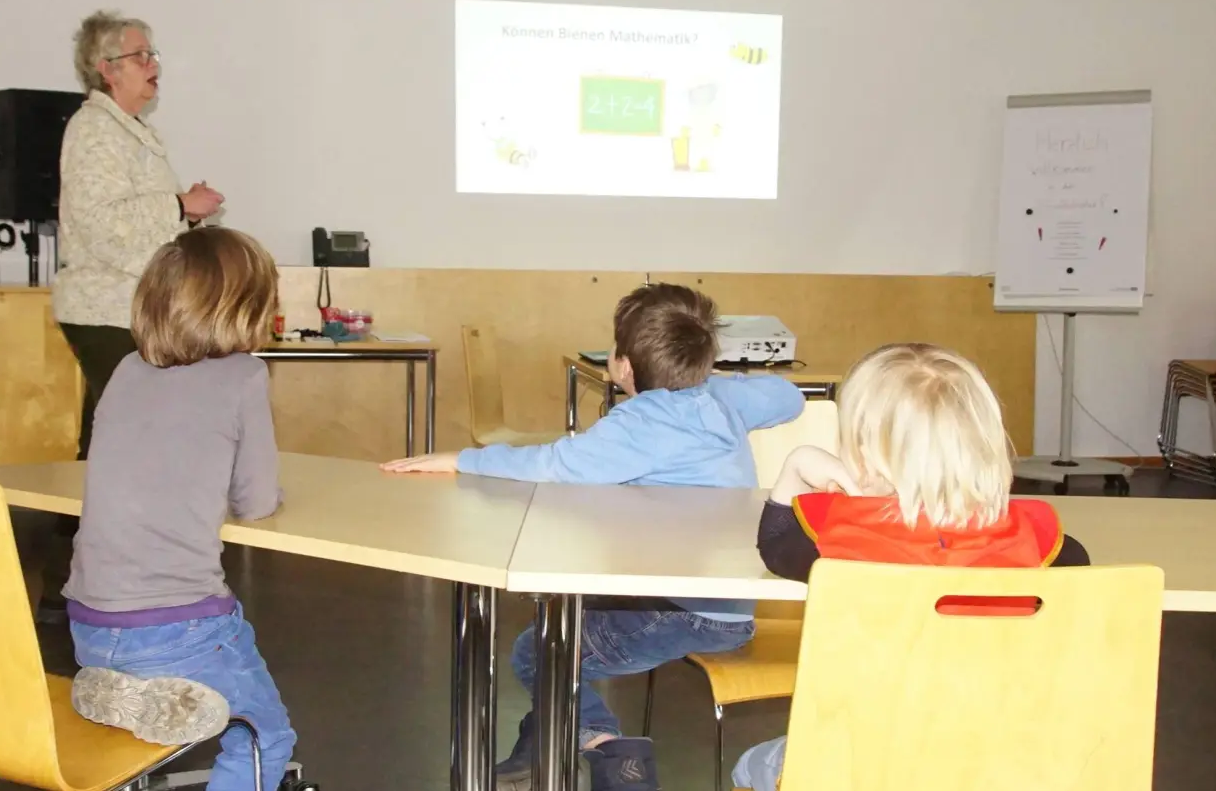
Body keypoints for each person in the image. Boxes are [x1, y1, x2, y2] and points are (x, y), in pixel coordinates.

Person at [383, 283, 806, 791]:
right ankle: (538, 747)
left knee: (539, 652)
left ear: (621, 365)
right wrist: (718, 382)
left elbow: (554, 464)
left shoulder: (639, 422)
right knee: (564, 620)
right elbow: (789, 396)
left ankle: (612, 754)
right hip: (729, 605)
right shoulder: (721, 401)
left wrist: (460, 459)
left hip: (680, 609)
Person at [730, 342, 1091, 791]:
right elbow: (1076, 575)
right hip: (1000, 760)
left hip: (863, 761)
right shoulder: (1048, 545)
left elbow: (775, 546)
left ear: (860, 452)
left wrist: (795, 469)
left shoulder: (837, 538)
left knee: (749, 766)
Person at [63, 226, 296, 791]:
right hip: (179, 623)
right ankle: (161, 690)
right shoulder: (245, 374)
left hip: (89, 620)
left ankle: (132, 698)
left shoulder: (124, 369)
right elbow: (256, 502)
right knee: (266, 738)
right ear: (248, 307)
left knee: (178, 691)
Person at [55, 8, 225, 460]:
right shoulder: (93, 129)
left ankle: (76, 524)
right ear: (107, 69)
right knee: (126, 430)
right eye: (141, 56)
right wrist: (179, 205)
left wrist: (184, 214)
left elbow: (136, 222)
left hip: (130, 306)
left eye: (153, 55)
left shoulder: (129, 131)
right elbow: (101, 225)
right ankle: (88, 525)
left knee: (112, 427)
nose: (154, 66)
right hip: (105, 308)